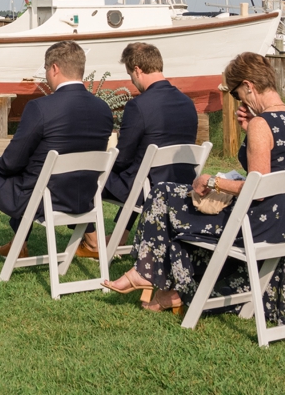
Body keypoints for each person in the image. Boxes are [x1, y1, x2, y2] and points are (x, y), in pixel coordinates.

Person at [107, 52, 285, 316]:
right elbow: (272, 173)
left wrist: (214, 181)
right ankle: (158, 280)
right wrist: (251, 133)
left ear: (248, 85)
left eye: (236, 94)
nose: (239, 101)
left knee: (163, 194)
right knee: (167, 193)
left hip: (252, 223)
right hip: (280, 222)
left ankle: (149, 272)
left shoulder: (262, 123)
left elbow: (257, 191)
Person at [0, 40, 113, 272]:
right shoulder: (103, 109)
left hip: (39, 199)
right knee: (33, 171)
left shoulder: (41, 108)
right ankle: (18, 244)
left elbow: (12, 162)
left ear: (54, 68)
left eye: (46, 70)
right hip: (80, 199)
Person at [79, 42, 198, 258]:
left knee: (82, 177)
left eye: (130, 75)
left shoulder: (139, 106)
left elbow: (123, 158)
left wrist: (104, 164)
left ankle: (92, 241)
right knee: (139, 173)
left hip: (148, 188)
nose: (132, 82)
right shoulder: (187, 103)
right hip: (181, 184)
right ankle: (120, 235)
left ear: (137, 70)